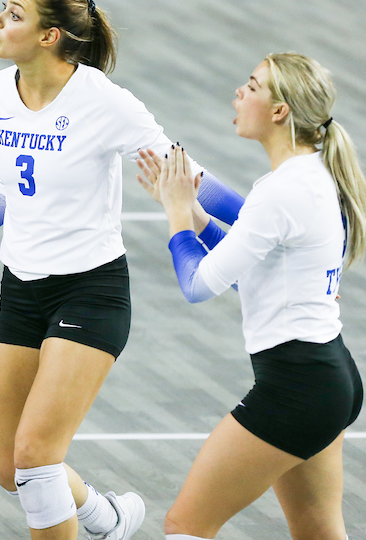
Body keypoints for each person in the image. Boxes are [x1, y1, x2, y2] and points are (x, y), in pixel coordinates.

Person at [0, 0, 245, 540]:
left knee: (36, 455)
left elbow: (191, 179)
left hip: (91, 290)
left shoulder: (102, 102)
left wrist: (268, 218)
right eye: (3, 8)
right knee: (12, 470)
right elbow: (8, 188)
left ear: (49, 36)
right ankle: (105, 517)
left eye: (14, 13)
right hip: (22, 289)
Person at [137, 53, 364, 540]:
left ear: (280, 110)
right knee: (318, 530)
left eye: (252, 85)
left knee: (185, 526)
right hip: (328, 379)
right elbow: (256, 271)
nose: (239, 92)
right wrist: (195, 218)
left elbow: (199, 286)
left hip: (297, 388)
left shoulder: (281, 191)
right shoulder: (313, 176)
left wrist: (178, 217)